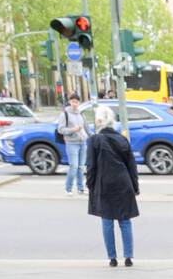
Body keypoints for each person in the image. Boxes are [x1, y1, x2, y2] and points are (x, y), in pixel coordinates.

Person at [86, 105, 139, 267]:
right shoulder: (122, 139)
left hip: (104, 184)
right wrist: (135, 186)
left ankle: (112, 258)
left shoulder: (94, 140)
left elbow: (91, 166)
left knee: (107, 221)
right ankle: (128, 257)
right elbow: (132, 166)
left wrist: (91, 185)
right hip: (124, 183)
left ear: (100, 121)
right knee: (125, 221)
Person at [58, 93, 88, 197]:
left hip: (82, 142)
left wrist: (91, 137)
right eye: (73, 101)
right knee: (74, 166)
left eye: (76, 102)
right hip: (72, 143)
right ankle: (68, 188)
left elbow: (86, 128)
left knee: (81, 167)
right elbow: (60, 130)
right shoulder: (65, 114)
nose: (75, 104)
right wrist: (73, 130)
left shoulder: (81, 114)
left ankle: (81, 188)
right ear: (70, 102)